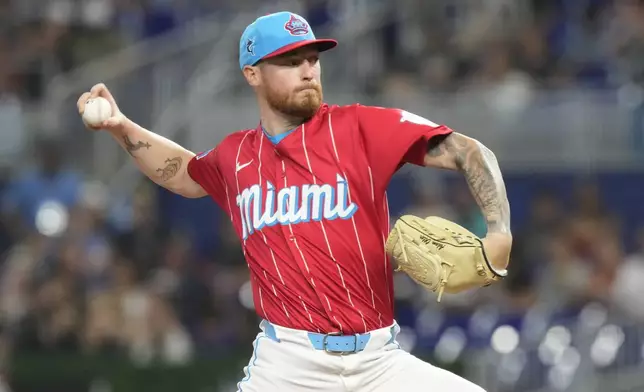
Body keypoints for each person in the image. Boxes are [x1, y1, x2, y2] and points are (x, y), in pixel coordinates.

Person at [77, 11, 512, 392]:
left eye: (313, 59)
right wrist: (119, 125)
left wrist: (498, 230)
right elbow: (181, 173)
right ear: (252, 73)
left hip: (379, 359)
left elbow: (469, 151)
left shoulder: (360, 127)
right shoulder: (235, 156)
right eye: (290, 61)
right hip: (288, 365)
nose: (308, 71)